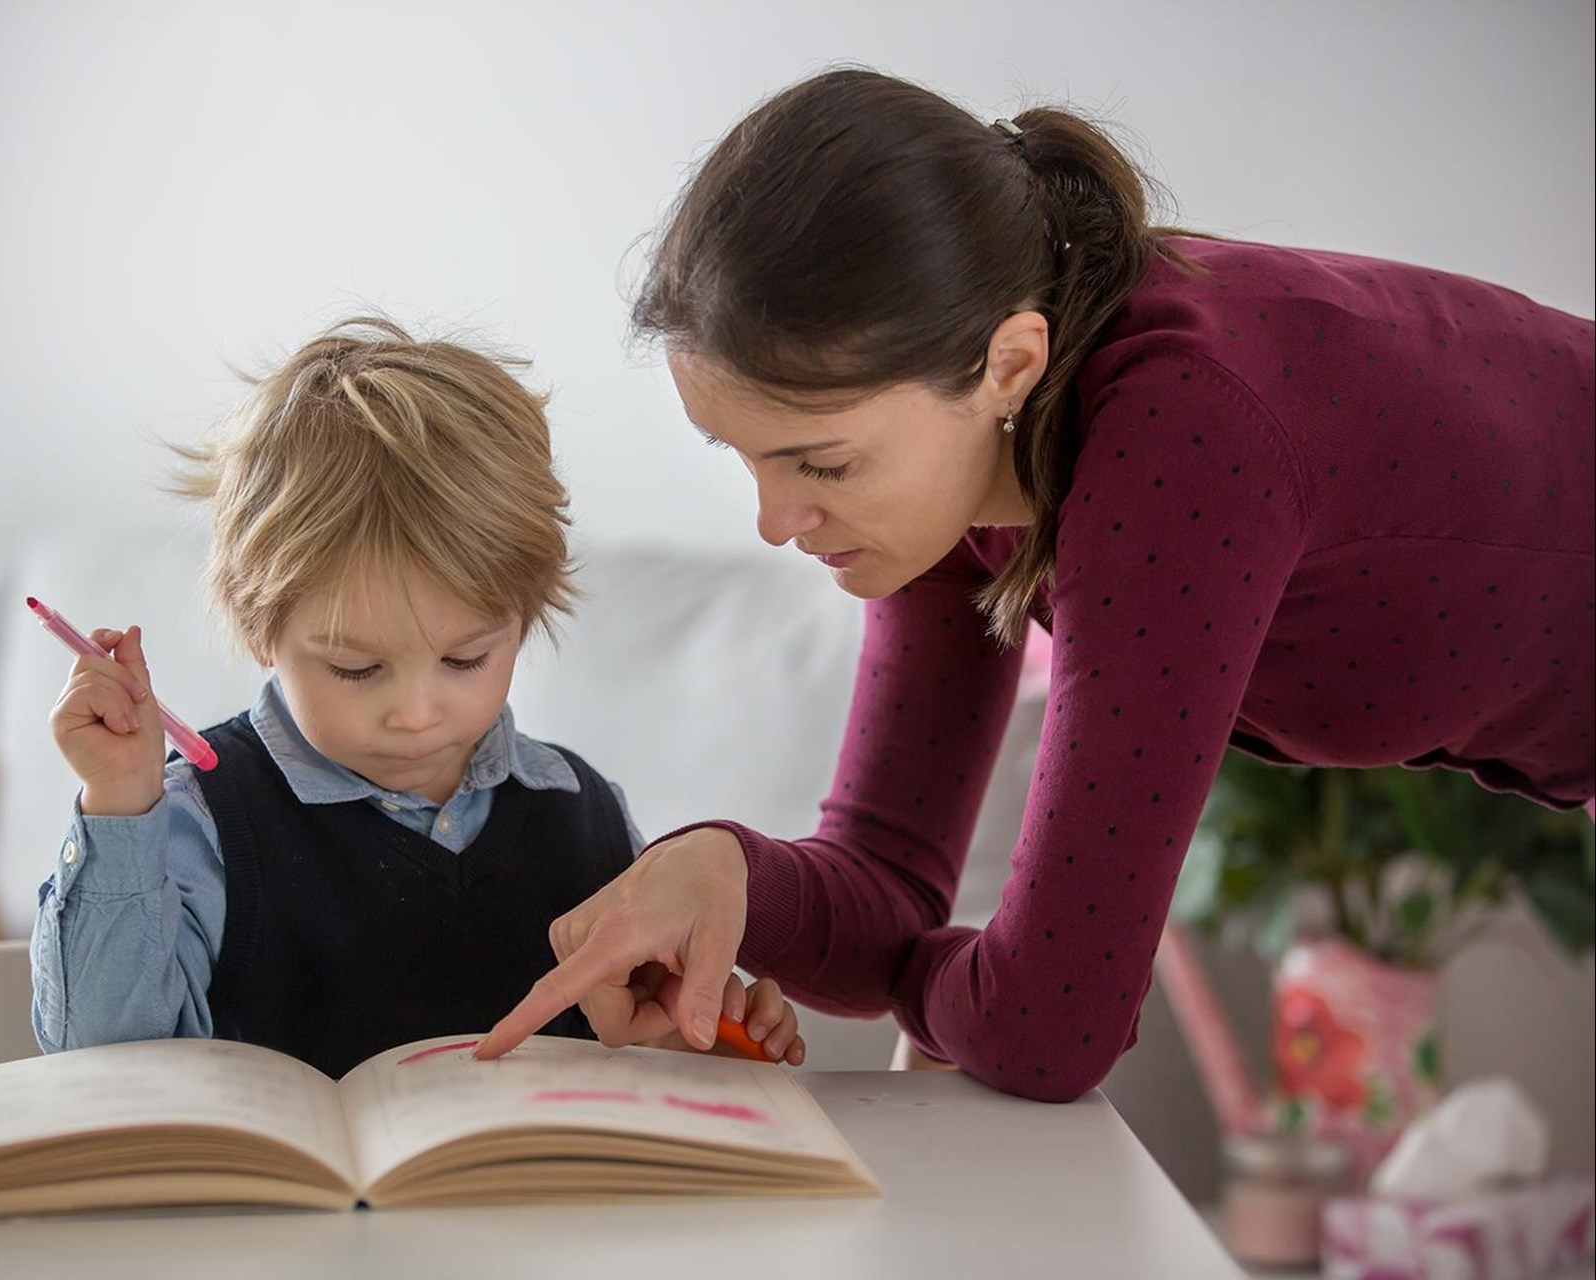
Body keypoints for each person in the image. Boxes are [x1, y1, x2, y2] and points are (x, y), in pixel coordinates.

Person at [475, 69, 1595, 1100]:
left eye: (823, 462)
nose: (776, 522)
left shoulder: (1176, 438)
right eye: (746, 455)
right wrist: (725, 872)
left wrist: (939, 980)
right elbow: (888, 881)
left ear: (1007, 362)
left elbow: (1052, 1022)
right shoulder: (965, 476)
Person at [29, 317, 805, 1079]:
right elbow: (105, 1064)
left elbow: (629, 1053)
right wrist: (120, 806)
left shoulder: (586, 815)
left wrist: (687, 1035)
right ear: (261, 627)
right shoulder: (194, 821)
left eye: (465, 658)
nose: (418, 713)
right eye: (358, 670)